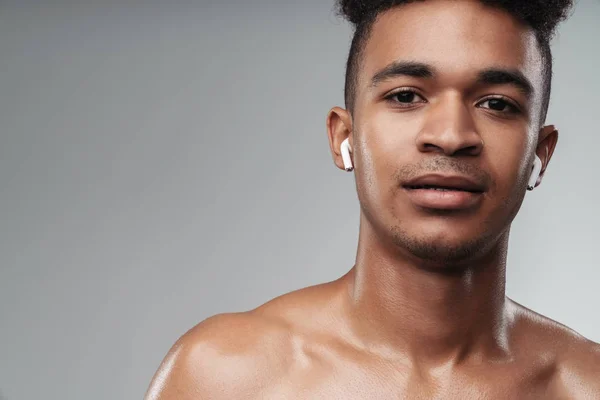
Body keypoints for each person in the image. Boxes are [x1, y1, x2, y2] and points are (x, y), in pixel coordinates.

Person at [145, 0, 600, 398]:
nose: (450, 136)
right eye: (406, 96)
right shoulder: (227, 377)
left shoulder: (586, 383)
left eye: (496, 104)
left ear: (540, 153)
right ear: (344, 136)